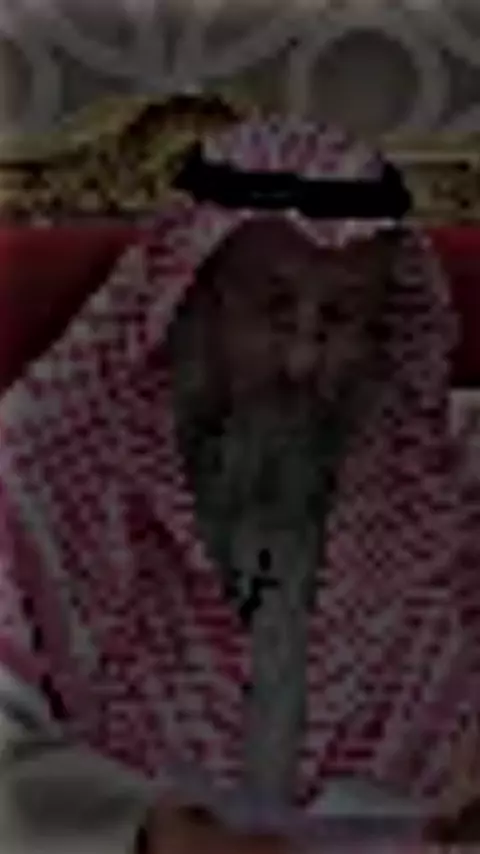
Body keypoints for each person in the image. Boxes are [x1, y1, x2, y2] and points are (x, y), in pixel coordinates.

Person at [0, 117, 475, 853]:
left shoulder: (449, 466)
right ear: (187, 302)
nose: (303, 362)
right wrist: (137, 825)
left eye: (343, 318)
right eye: (272, 309)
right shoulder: (37, 468)